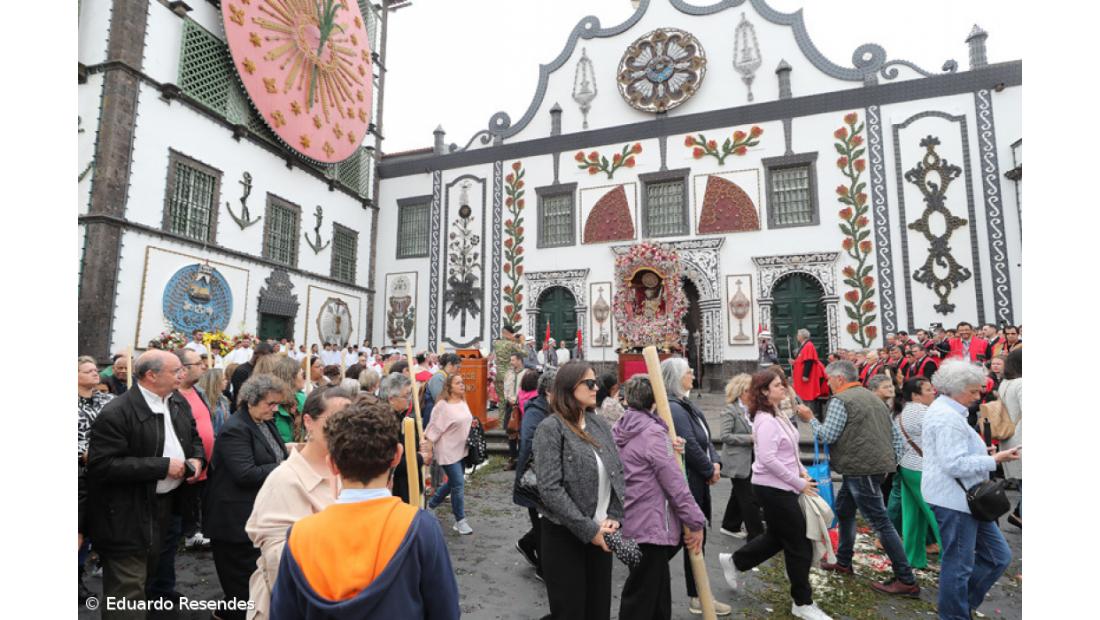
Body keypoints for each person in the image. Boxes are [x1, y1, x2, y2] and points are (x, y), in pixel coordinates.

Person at [268, 400, 461, 618]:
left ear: (331, 464)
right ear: (397, 456)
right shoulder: (421, 529)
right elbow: (446, 612)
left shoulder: (300, 537)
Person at [85, 350, 205, 619]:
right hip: (127, 512)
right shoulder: (117, 411)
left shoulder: (177, 401)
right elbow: (102, 465)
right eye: (176, 371)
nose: (182, 374)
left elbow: (193, 437)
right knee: (127, 589)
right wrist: (161, 466)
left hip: (168, 507)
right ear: (151, 375)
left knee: (151, 578)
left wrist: (197, 459)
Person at [796, 360, 919, 597]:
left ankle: (906, 579)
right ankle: (844, 561)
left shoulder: (841, 400)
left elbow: (827, 436)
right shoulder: (873, 397)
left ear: (840, 379)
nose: (828, 383)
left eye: (829, 379)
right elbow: (895, 437)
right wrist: (889, 463)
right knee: (845, 510)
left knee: (880, 522)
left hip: (860, 469)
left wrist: (810, 418)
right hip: (871, 467)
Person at [719, 371, 831, 620]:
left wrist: (801, 471)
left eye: (783, 384)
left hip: (784, 486)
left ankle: (735, 561)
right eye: (778, 385)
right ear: (765, 391)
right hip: (773, 490)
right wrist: (798, 482)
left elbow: (790, 450)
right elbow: (767, 459)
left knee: (778, 538)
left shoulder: (777, 413)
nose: (784, 388)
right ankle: (802, 602)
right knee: (799, 544)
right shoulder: (765, 420)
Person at [922, 360, 1020, 620]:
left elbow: (953, 455)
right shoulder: (947, 417)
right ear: (955, 389)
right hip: (954, 500)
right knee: (959, 564)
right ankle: (954, 614)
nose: (978, 396)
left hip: (964, 498)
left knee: (998, 556)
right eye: (973, 391)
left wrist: (982, 453)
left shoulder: (950, 412)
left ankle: (958, 608)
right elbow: (954, 464)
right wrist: (994, 460)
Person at [244, 387, 351, 620]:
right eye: (335, 421)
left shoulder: (352, 471)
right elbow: (278, 559)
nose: (344, 430)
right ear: (308, 422)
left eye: (350, 422)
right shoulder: (284, 479)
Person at [533, 361, 625, 620]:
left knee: (598, 611)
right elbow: (550, 489)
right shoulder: (551, 428)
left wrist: (615, 515)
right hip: (565, 537)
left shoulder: (598, 424)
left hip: (601, 535)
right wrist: (589, 530)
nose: (596, 388)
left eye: (596, 382)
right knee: (570, 612)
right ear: (569, 387)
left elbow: (617, 470)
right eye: (589, 383)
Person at [612, 376, 705, 620]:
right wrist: (695, 521)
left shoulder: (622, 426)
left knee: (656, 593)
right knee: (642, 597)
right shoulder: (652, 433)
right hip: (650, 524)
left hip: (633, 518)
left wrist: (671, 449)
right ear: (655, 400)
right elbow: (674, 483)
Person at [204, 374, 290, 620]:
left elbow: (274, 454)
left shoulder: (263, 421)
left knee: (252, 585)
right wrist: (286, 465)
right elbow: (245, 473)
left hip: (254, 513)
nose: (275, 409)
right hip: (233, 520)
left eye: (277, 404)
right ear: (251, 401)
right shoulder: (236, 428)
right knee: (240, 586)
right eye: (270, 403)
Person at [662, 357, 731, 616]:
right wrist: (708, 470)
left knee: (692, 539)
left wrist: (715, 463)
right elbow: (689, 444)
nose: (692, 375)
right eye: (688, 372)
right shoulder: (675, 408)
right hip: (689, 482)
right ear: (676, 378)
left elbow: (706, 438)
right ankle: (646, 572)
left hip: (699, 478)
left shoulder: (686, 404)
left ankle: (698, 595)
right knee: (688, 537)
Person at [145, 348, 216, 603]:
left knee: (172, 536)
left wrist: (198, 458)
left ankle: (164, 587)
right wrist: (169, 464)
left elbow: (195, 433)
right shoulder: (162, 400)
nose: (203, 367)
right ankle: (150, 591)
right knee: (156, 541)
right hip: (160, 482)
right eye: (198, 363)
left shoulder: (192, 395)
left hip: (189, 476)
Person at [890, 378, 942, 569]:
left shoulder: (902, 411)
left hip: (907, 467)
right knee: (937, 516)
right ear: (915, 395)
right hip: (922, 468)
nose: (933, 392)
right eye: (928, 390)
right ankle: (949, 558)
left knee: (913, 515)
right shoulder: (923, 412)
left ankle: (913, 558)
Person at [513, 366, 556, 579]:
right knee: (541, 524)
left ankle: (527, 544)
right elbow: (529, 442)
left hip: (547, 476)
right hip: (534, 478)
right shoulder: (535, 410)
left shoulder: (551, 408)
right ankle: (543, 569)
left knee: (546, 522)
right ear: (549, 391)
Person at [78, 356, 114, 602]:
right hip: (78, 472)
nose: (95, 373)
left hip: (103, 473)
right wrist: (82, 454)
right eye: (88, 370)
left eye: (95, 370)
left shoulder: (107, 400)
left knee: (91, 528)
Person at [425, 373, 476, 534]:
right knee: (458, 484)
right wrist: (428, 449)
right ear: (449, 387)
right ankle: (460, 521)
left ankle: (431, 505)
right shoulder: (442, 406)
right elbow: (434, 428)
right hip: (447, 450)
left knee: (452, 483)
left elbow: (465, 421)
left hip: (462, 450)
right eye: (458, 383)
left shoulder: (463, 401)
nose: (462, 385)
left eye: (462, 382)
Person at [718, 373, 764, 541]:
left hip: (751, 458)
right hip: (737, 460)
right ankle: (757, 535)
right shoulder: (730, 410)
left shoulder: (752, 409)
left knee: (738, 494)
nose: (752, 393)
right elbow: (725, 436)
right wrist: (749, 438)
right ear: (739, 392)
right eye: (748, 390)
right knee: (749, 497)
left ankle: (729, 525)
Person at [379, 373, 430, 505]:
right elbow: (390, 463)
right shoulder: (385, 424)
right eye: (406, 395)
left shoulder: (400, 418)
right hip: (398, 492)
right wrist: (419, 458)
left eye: (410, 394)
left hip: (410, 486)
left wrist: (420, 446)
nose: (410, 399)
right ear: (391, 399)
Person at [255, 355, 306, 444]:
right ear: (292, 378)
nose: (305, 378)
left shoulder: (303, 399)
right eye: (302, 375)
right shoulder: (271, 405)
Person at [998, 349, 1022, 527]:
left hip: (1009, 438)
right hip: (1021, 437)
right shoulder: (1021, 383)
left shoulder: (1005, 382)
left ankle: (1018, 515)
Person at [790, 329, 829, 421]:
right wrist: (795, 362)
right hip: (801, 378)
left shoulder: (808, 345)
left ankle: (809, 415)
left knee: (808, 396)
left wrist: (805, 375)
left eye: (798, 335)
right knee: (804, 395)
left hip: (806, 378)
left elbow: (809, 361)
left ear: (802, 336)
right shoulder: (804, 345)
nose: (797, 336)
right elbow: (802, 360)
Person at [230, 341, 274, 412]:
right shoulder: (241, 371)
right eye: (268, 357)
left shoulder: (262, 369)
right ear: (258, 355)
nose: (269, 360)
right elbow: (243, 396)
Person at [502, 351, 526, 468]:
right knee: (511, 432)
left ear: (519, 360)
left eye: (513, 360)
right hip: (510, 406)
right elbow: (505, 389)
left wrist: (519, 401)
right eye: (511, 360)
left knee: (522, 433)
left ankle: (521, 460)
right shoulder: (508, 374)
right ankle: (512, 458)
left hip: (522, 407)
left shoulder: (527, 374)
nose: (511, 362)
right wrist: (509, 399)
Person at [198, 367, 232, 436]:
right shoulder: (203, 401)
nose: (226, 381)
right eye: (223, 379)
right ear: (215, 382)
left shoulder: (223, 399)